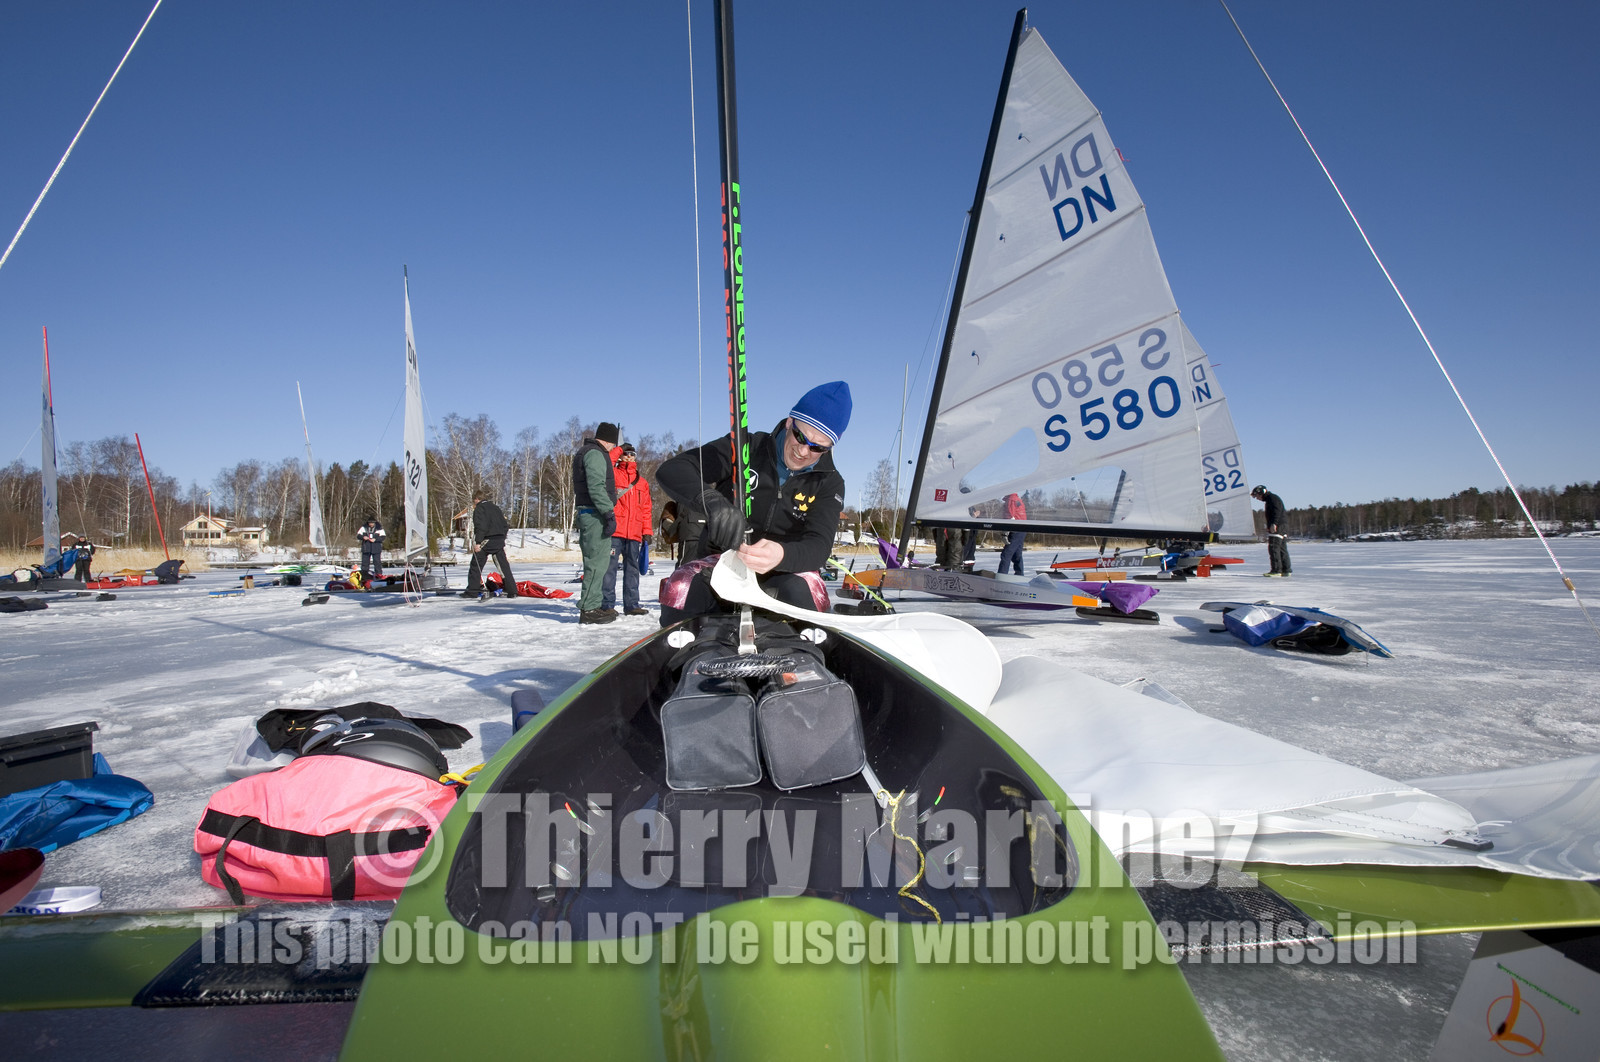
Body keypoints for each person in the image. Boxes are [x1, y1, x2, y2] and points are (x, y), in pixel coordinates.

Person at [655, 381, 850, 624]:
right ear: (790, 422)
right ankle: (681, 654)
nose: (803, 451)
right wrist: (713, 502)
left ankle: (804, 655)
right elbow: (674, 469)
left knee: (809, 596)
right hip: (723, 562)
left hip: (785, 570)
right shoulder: (746, 447)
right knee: (681, 588)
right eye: (800, 436)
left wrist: (780, 554)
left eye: (817, 447)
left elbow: (819, 546)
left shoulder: (829, 483)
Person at [572, 422, 619, 623]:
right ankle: (589, 609)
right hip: (594, 513)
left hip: (591, 512)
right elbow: (597, 487)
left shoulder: (589, 451)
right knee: (596, 563)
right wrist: (608, 513)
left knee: (599, 562)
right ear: (609, 440)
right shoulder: (595, 454)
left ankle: (594, 604)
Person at [602, 442, 652, 617]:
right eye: (626, 454)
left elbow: (646, 508)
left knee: (632, 570)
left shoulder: (642, 483)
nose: (629, 457)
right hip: (616, 531)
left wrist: (647, 531)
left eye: (632, 454)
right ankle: (607, 604)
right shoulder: (614, 475)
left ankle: (632, 605)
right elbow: (606, 462)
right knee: (609, 569)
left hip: (635, 533)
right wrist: (618, 449)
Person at [462, 492, 518, 597]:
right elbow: (505, 525)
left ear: (477, 499)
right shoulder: (496, 508)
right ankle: (512, 590)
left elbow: (481, 526)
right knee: (503, 565)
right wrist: (502, 537)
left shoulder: (479, 509)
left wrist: (478, 542)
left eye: (474, 500)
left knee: (476, 564)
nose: (474, 503)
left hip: (487, 540)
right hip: (499, 539)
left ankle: (472, 591)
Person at [1252, 485, 1291, 577]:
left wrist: (1274, 524)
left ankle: (1276, 570)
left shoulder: (1272, 499)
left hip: (1278, 526)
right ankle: (1286, 570)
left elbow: (1276, 512)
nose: (1257, 498)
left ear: (1261, 493)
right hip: (1283, 526)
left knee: (1274, 548)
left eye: (1257, 496)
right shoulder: (1273, 498)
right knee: (1282, 549)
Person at [997, 492, 1027, 575]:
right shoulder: (1016, 499)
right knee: (1017, 555)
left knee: (1006, 554)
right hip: (1022, 529)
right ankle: (1019, 575)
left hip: (1016, 529)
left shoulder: (1011, 500)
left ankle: (1001, 576)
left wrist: (1005, 533)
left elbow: (1010, 517)